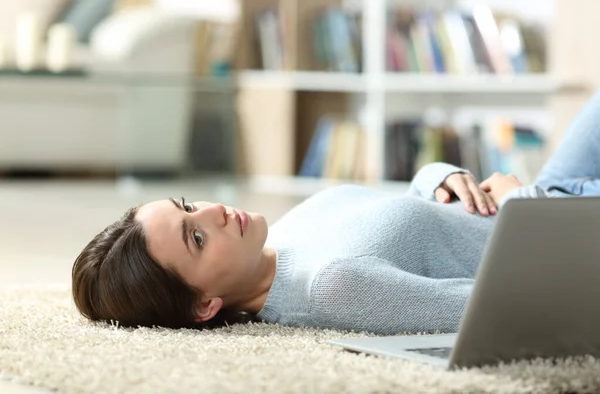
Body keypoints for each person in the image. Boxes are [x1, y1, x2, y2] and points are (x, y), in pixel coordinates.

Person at [71, 90, 600, 335]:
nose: (213, 212)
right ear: (204, 306)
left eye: (188, 206)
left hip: (547, 193)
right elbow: (516, 308)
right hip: (574, 227)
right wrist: (518, 206)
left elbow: (409, 211)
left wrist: (439, 177)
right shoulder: (334, 286)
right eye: (196, 239)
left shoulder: (282, 234)